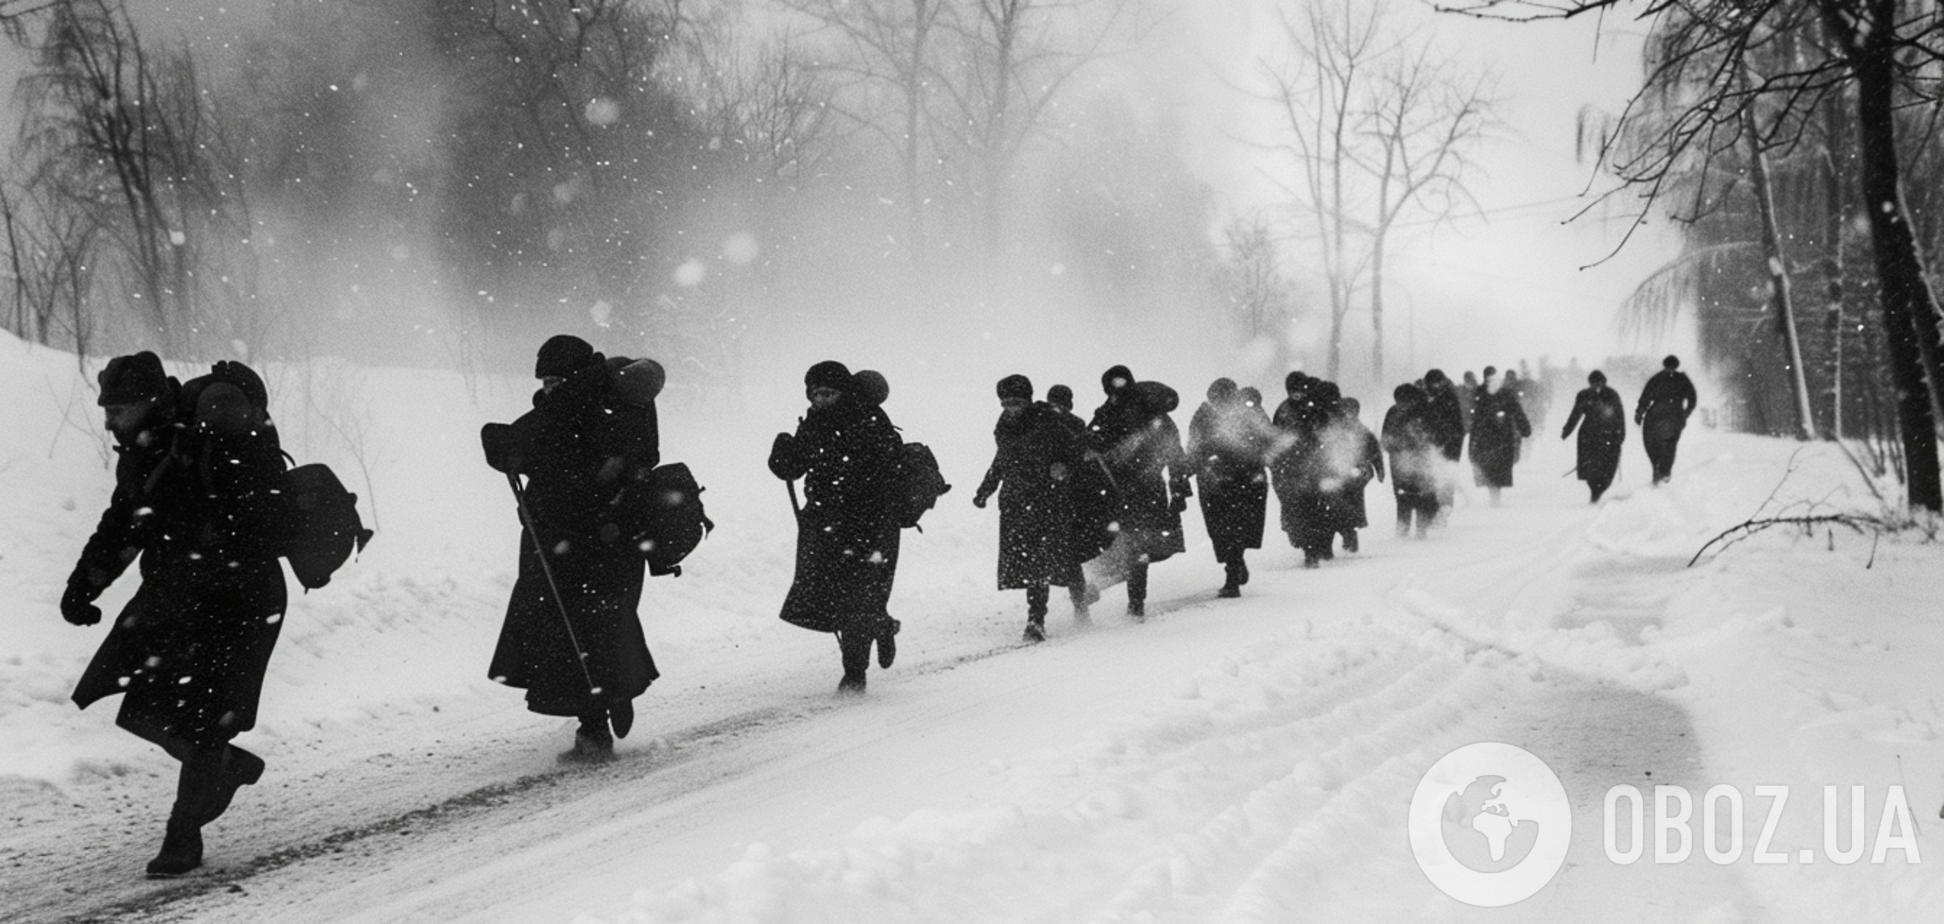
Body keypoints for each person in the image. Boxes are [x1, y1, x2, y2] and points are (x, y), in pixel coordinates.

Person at [62, 352, 290, 877]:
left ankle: (182, 836)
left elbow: (248, 520)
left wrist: (214, 552)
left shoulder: (206, 440)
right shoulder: (146, 453)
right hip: (177, 597)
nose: (108, 421)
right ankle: (228, 769)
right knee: (142, 710)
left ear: (147, 403)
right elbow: (126, 520)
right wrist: (85, 586)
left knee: (206, 720)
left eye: (117, 409)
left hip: (240, 597)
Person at [483, 335, 660, 763]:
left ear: (577, 376)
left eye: (556, 379)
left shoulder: (596, 408)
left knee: (583, 631)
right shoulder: (582, 407)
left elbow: (547, 459)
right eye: (545, 381)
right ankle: (601, 711)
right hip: (578, 542)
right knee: (581, 632)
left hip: (592, 543)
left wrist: (507, 447)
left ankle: (597, 723)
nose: (549, 388)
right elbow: (530, 455)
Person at [769, 361, 904, 693]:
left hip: (869, 524)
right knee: (827, 593)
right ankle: (882, 625)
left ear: (843, 393)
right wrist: (781, 455)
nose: (821, 400)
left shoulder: (870, 420)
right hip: (825, 521)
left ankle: (854, 673)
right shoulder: (815, 422)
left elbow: (887, 471)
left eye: (828, 393)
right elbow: (794, 467)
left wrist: (861, 499)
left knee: (858, 597)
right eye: (815, 394)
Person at [973, 375, 1086, 641]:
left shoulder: (1048, 421)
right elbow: (1001, 460)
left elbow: (1076, 449)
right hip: (1016, 503)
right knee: (1033, 563)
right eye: (1006, 404)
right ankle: (1036, 619)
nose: (1011, 408)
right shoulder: (1004, 427)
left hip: (1048, 501)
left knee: (1062, 558)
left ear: (1027, 399)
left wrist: (1064, 466)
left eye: (1016, 402)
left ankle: (1077, 610)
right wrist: (985, 490)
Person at [1084, 365, 1189, 619]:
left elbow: (1174, 455)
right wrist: (1178, 491)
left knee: (1132, 544)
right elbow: (1176, 456)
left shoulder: (1113, 413)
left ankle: (1131, 599)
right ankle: (1132, 599)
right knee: (1135, 546)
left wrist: (1178, 490)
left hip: (1124, 490)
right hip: (1138, 489)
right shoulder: (1120, 413)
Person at [1186, 378, 1271, 597]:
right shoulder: (1207, 416)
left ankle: (1232, 574)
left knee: (1228, 528)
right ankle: (1235, 563)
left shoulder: (1212, 415)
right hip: (1231, 481)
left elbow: (1266, 440)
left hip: (1231, 482)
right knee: (1230, 529)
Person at [1382, 382, 1441, 538]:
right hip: (1420, 458)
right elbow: (1436, 434)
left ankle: (1403, 528)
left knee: (1402, 496)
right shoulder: (1425, 410)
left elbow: (1386, 436)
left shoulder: (1394, 412)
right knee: (1422, 493)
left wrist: (1394, 448)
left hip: (1399, 460)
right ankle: (1421, 528)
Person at [1328, 397, 1384, 553]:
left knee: (1351, 506)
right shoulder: (1333, 430)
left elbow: (1373, 451)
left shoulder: (1361, 431)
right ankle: (1335, 541)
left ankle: (1350, 539)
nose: (1348, 415)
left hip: (1355, 475)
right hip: (1337, 474)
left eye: (1352, 411)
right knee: (1335, 508)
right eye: (1346, 411)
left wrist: (1378, 469)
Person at [1561, 370, 1627, 502]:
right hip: (1590, 434)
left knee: (1608, 464)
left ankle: (1600, 488)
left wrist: (1620, 434)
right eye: (1594, 383)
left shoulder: (1612, 394)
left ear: (1604, 382)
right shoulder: (1584, 395)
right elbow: (1576, 413)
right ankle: (1595, 490)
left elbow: (1619, 415)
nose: (1596, 385)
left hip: (1608, 434)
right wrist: (1567, 430)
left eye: (1599, 383)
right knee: (1589, 464)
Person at [1635, 354, 1698, 485]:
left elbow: (1646, 397)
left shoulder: (1657, 379)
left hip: (1656, 415)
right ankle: (1664, 471)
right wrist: (1685, 413)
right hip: (1674, 417)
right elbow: (1692, 399)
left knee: (1653, 443)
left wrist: (1640, 413)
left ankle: (1658, 467)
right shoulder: (1682, 380)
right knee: (1670, 445)